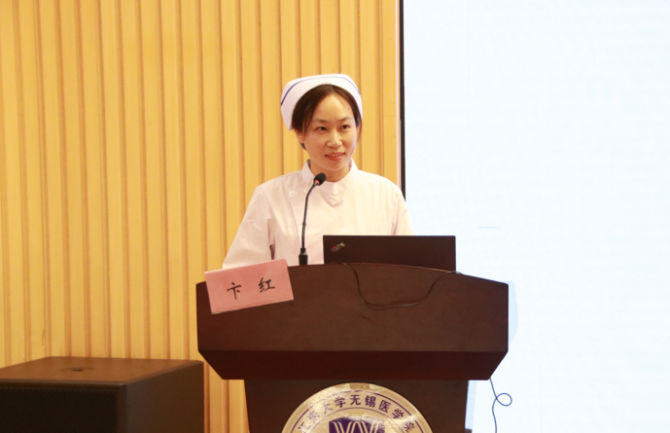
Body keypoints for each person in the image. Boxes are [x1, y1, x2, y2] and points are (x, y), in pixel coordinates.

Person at [222, 74, 413, 269]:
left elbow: (411, 272)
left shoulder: (385, 194)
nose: (335, 141)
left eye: (345, 127)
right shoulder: (271, 197)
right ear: (299, 133)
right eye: (322, 128)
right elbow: (240, 275)